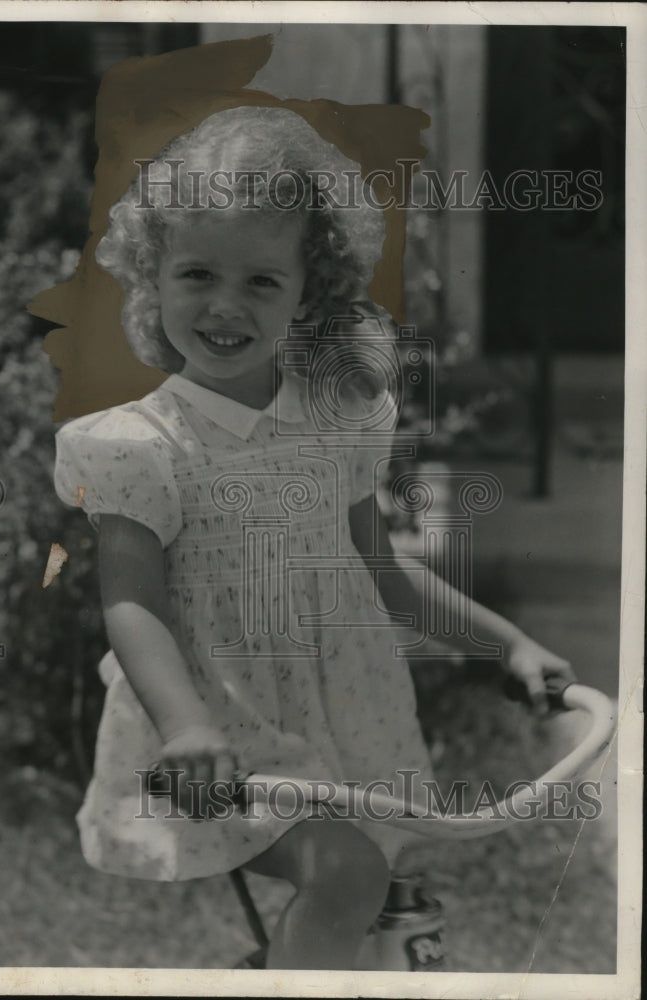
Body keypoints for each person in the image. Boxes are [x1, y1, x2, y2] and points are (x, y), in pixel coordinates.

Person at [54, 106, 572, 970]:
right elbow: (132, 607)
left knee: (371, 899)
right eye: (196, 274)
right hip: (224, 738)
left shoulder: (335, 417)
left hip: (351, 725)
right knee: (344, 874)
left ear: (309, 291)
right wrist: (185, 729)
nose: (224, 306)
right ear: (153, 279)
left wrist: (506, 644)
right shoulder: (143, 448)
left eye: (261, 281)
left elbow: (381, 573)